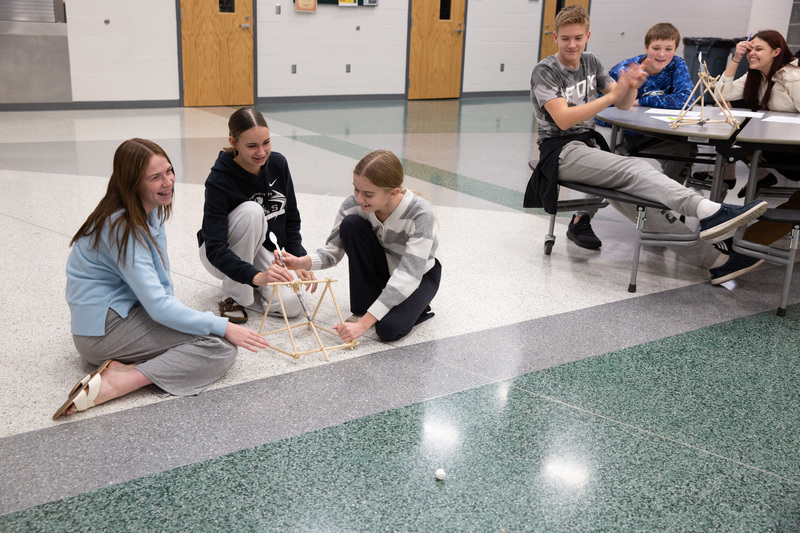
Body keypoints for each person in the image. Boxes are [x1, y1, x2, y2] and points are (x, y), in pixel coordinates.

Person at [524, 4, 768, 283]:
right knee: (634, 169)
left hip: (586, 148)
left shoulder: (591, 61)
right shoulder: (545, 70)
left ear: (587, 36)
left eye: (578, 38)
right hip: (559, 151)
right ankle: (709, 210)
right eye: (565, 38)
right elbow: (564, 120)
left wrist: (632, 85)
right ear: (555, 38)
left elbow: (625, 103)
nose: (572, 45)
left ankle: (717, 261)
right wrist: (610, 97)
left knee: (645, 204)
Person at [54, 139, 269, 420]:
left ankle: (131, 367)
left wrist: (188, 321)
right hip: (102, 333)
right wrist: (221, 325)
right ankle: (122, 381)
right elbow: (158, 306)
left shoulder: (146, 212)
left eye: (169, 171)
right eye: (155, 177)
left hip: (122, 314)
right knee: (220, 346)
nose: (168, 182)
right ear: (133, 183)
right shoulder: (122, 227)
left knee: (213, 338)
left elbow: (161, 291)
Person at [278, 150, 441, 343]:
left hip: (418, 276)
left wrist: (363, 324)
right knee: (351, 224)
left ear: (393, 193)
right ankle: (366, 307)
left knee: (388, 329)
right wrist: (300, 262)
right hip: (385, 268)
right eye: (356, 189)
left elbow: (408, 275)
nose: (358, 198)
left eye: (368, 194)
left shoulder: (420, 214)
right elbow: (333, 251)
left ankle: (419, 306)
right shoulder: (355, 204)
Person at [198, 107, 315, 323]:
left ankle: (251, 283)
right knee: (252, 210)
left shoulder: (278, 163)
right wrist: (256, 276)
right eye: (252, 146)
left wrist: (298, 259)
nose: (261, 152)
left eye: (266, 142)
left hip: (262, 247)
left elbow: (291, 219)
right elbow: (215, 247)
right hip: (218, 255)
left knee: (291, 307)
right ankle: (234, 296)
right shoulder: (219, 179)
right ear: (233, 142)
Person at [712, 30, 800, 283]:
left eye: (758, 49)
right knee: (732, 139)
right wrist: (736, 58)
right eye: (750, 48)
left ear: (776, 52)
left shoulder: (793, 77)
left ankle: (744, 247)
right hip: (780, 150)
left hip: (792, 149)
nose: (752, 52)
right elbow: (720, 93)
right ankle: (738, 240)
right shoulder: (755, 77)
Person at [599, 22, 697, 185]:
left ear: (675, 50)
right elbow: (607, 106)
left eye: (668, 49)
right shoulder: (625, 68)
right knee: (607, 162)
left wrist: (641, 101)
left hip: (654, 134)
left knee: (686, 150)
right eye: (656, 48)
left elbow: (687, 101)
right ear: (646, 47)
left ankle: (664, 198)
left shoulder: (677, 65)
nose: (662, 54)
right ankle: (587, 209)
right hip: (620, 131)